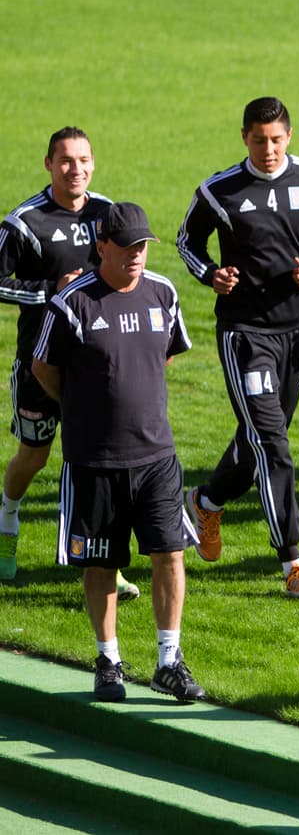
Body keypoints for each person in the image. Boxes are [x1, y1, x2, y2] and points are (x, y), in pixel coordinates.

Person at [176, 97, 299, 599]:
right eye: (258, 140)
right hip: (244, 335)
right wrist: (212, 274)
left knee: (259, 442)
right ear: (244, 138)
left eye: (276, 140)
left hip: (298, 335)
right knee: (273, 444)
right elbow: (188, 241)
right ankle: (293, 563)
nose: (268, 149)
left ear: (289, 136)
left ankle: (206, 502)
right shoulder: (219, 190)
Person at [32, 202, 205, 702]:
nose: (136, 255)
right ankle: (108, 659)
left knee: (170, 554)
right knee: (101, 564)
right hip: (93, 461)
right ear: (102, 246)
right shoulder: (72, 302)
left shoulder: (163, 293)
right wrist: (83, 404)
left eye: (143, 246)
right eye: (127, 247)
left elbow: (166, 353)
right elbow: (44, 366)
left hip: (156, 457)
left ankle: (169, 661)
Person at [0, 127, 140, 599]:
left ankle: (108, 563)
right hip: (40, 362)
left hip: (96, 363)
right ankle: (7, 516)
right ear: (48, 164)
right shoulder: (24, 222)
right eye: (64, 160)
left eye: (82, 160)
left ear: (93, 164)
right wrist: (48, 291)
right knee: (34, 457)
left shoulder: (108, 213)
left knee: (102, 461)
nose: (74, 169)